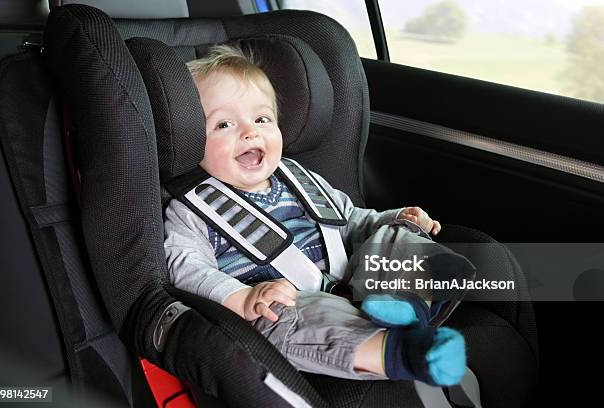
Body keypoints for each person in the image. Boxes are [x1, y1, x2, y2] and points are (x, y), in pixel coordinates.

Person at [164, 44, 471, 385]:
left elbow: (351, 220)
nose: (250, 132)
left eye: (262, 119)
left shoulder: (299, 178)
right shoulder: (192, 209)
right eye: (223, 124)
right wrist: (243, 297)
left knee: (399, 234)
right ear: (191, 139)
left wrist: (395, 219)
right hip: (294, 301)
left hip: (361, 282)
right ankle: (401, 351)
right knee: (280, 320)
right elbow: (185, 266)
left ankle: (404, 300)